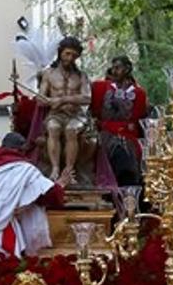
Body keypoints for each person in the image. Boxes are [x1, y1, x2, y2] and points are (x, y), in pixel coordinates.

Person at [36, 36, 92, 187]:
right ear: (60, 52)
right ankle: (55, 169)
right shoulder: (48, 74)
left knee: (71, 130)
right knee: (53, 127)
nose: (70, 58)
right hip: (56, 114)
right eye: (67, 54)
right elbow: (40, 99)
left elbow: (87, 98)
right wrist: (47, 101)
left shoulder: (81, 76)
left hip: (76, 115)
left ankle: (69, 170)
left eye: (74, 56)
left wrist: (62, 100)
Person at [88, 55, 147, 186]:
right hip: (106, 132)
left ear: (127, 69)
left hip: (129, 135)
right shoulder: (102, 88)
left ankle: (129, 188)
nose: (114, 71)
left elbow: (138, 119)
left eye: (118, 68)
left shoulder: (139, 93)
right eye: (113, 68)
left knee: (127, 151)